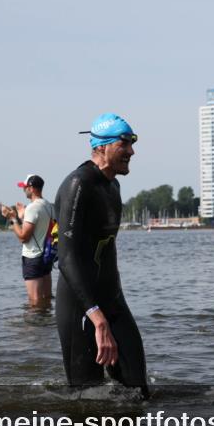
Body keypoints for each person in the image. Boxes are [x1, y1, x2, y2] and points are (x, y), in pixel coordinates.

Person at [54, 113, 148, 397]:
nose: (131, 151)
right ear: (102, 146)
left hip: (112, 299)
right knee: (87, 401)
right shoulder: (78, 185)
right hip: (80, 307)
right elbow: (66, 258)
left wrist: (111, 307)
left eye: (132, 142)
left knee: (139, 392)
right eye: (125, 143)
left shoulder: (113, 185)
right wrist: (97, 318)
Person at [0, 174, 54, 307]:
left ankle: (35, 327)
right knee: (46, 297)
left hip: (33, 257)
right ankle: (47, 324)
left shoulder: (33, 207)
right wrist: (22, 216)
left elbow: (24, 237)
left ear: (31, 188)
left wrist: (12, 219)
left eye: (25, 187)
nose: (23, 190)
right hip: (47, 256)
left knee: (34, 300)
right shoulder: (48, 205)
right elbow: (39, 229)